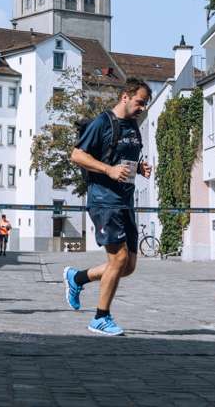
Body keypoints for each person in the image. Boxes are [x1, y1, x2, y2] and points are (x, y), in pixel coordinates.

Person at [64, 79, 153, 336]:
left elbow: (125, 159)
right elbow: (77, 155)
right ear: (125, 97)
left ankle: (77, 278)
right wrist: (108, 170)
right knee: (118, 258)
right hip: (104, 200)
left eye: (145, 104)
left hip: (125, 201)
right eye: (139, 102)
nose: (142, 108)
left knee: (128, 266)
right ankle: (100, 317)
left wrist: (141, 167)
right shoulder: (102, 122)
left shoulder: (133, 126)